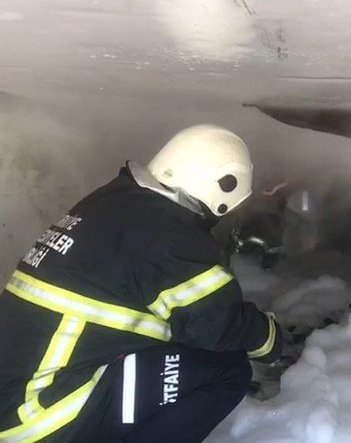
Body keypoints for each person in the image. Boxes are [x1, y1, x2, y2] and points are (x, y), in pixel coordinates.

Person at [0, 125, 297, 443]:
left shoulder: (114, 202)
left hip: (17, 396)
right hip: (37, 422)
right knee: (226, 369)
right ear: (223, 192)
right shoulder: (169, 235)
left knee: (179, 343)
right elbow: (217, 324)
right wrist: (269, 340)